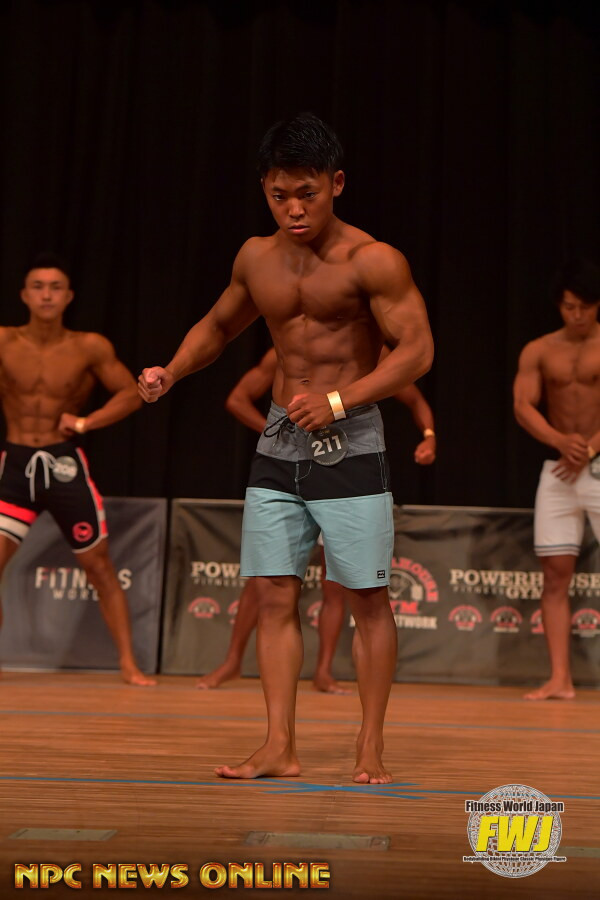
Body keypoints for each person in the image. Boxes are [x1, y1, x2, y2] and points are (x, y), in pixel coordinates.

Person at [139, 114, 433, 782]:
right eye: (279, 195)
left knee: (366, 597)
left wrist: (341, 399)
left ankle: (369, 745)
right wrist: (172, 372)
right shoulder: (256, 257)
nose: (294, 209)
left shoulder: (373, 260)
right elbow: (219, 326)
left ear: (337, 183)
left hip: (350, 439)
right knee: (272, 595)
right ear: (265, 190)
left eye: (307, 193)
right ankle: (279, 746)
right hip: (279, 440)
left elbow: (417, 351)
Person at [196, 346, 436, 693]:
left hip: (344, 468)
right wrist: (279, 432)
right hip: (288, 468)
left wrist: (429, 436)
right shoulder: (285, 348)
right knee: (266, 581)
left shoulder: (368, 349)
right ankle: (232, 661)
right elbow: (237, 399)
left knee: (335, 585)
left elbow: (414, 398)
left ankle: (323, 670)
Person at [0, 253, 155, 686]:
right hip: (15, 465)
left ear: (68, 297)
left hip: (63, 465)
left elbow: (132, 392)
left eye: (55, 287)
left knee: (100, 567)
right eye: (38, 286)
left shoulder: (89, 346)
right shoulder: (4, 341)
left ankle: (128, 664)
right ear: (24, 295)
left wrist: (87, 423)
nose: (46, 295)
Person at [514, 258, 600, 701]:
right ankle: (560, 678)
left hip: (597, 464)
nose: (577, 314)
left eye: (585, 306)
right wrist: (561, 441)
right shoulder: (540, 350)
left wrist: (591, 447)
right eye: (569, 306)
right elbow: (523, 405)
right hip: (560, 469)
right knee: (554, 574)